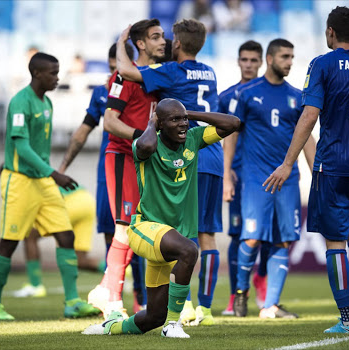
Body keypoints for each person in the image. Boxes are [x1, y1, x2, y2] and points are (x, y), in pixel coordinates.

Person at [264, 6, 349, 333]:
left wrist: (288, 163)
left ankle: (348, 320)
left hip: (332, 165)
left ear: (330, 32)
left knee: (335, 242)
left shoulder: (322, 64)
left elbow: (308, 116)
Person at [82, 98, 240, 338]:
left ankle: (110, 327)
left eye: (184, 119)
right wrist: (151, 123)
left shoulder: (193, 139)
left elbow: (233, 123)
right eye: (175, 120)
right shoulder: (146, 144)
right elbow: (144, 146)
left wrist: (190, 114)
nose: (182, 124)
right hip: (145, 229)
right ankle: (173, 324)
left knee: (153, 316)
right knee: (189, 251)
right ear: (160, 124)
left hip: (171, 238)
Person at [116, 19, 222, 326]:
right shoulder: (210, 71)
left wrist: (126, 41)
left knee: (180, 230)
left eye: (169, 39)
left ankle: (183, 307)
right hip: (212, 155)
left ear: (177, 44)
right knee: (206, 235)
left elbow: (126, 71)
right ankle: (206, 307)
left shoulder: (172, 71)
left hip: (188, 153)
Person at [0, 52, 99, 320]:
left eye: (58, 72)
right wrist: (54, 173)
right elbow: (21, 147)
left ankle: (72, 302)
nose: (57, 78)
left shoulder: (46, 102)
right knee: (10, 241)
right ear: (37, 73)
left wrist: (48, 175)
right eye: (53, 73)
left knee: (65, 235)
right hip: (20, 180)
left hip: (43, 181)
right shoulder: (20, 103)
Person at [225, 39, 315, 319]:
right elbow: (231, 133)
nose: (290, 61)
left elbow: (308, 136)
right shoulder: (247, 93)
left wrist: (318, 176)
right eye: (285, 56)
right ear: (270, 58)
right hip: (255, 179)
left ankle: (270, 305)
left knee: (283, 241)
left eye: (292, 56)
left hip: (288, 179)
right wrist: (227, 173)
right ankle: (240, 293)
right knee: (251, 238)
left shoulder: (297, 96)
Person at [58, 42, 148, 315]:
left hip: (135, 167)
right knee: (113, 232)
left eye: (117, 68)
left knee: (136, 234)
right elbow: (83, 131)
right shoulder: (101, 92)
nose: (113, 74)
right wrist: (62, 167)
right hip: (108, 171)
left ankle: (140, 298)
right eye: (110, 69)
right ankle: (112, 293)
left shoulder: (141, 87)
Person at [86, 18, 166, 319]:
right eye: (156, 37)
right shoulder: (123, 79)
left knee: (136, 230)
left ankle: (108, 288)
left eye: (163, 36)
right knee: (123, 228)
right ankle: (113, 301)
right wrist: (140, 136)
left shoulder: (157, 78)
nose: (162, 41)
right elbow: (109, 122)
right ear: (141, 44)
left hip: (145, 160)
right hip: (122, 157)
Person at [220, 40, 268, 316]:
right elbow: (217, 136)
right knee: (239, 235)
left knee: (268, 237)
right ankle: (235, 295)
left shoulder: (269, 94)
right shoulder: (226, 97)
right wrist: (227, 172)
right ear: (238, 62)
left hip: (264, 177)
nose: (249, 64)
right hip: (238, 178)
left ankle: (261, 280)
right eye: (244, 60)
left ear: (261, 62)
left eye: (253, 60)